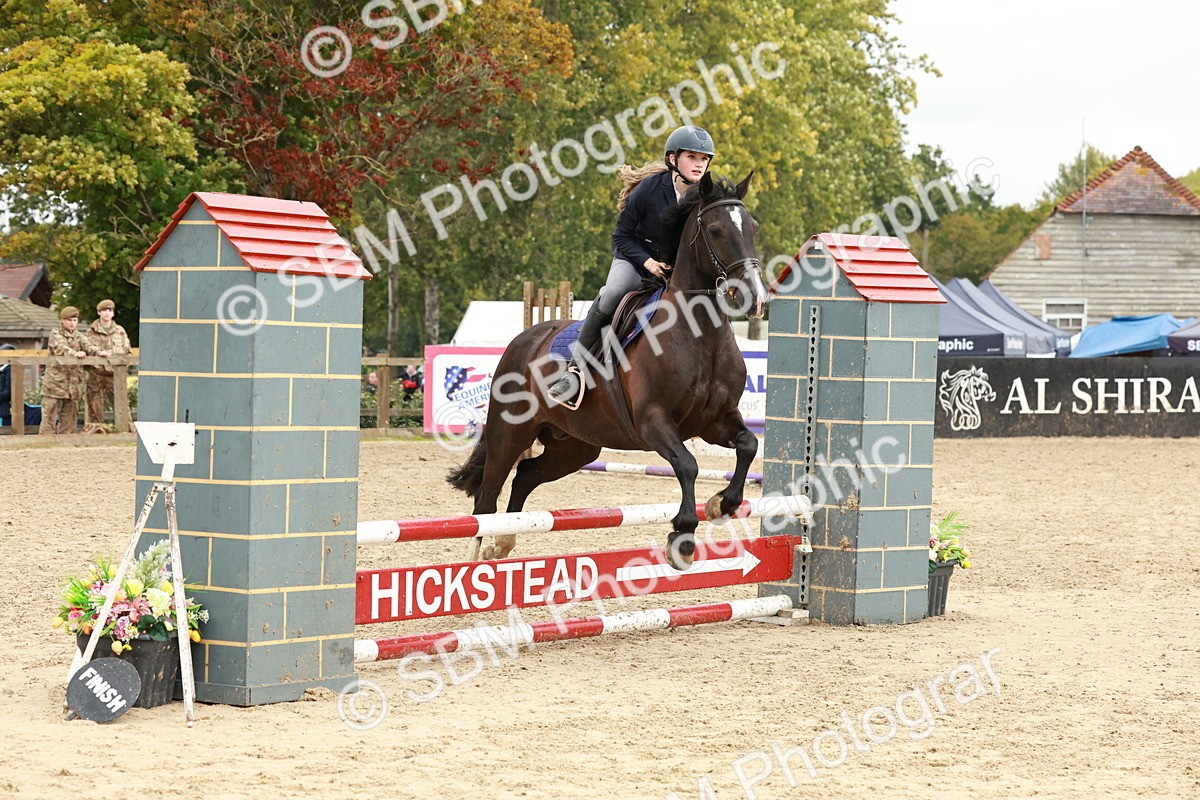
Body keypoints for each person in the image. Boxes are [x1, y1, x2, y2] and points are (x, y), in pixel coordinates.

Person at [547, 125, 715, 405]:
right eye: (691, 157)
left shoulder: (704, 196)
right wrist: (648, 263)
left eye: (704, 159)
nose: (699, 165)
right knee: (613, 292)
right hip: (636, 260)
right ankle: (574, 372)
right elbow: (621, 236)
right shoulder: (650, 189)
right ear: (673, 160)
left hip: (674, 270)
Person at [39, 307, 108, 435]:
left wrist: (99, 352)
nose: (72, 323)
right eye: (69, 320)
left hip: (73, 387)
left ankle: (66, 447)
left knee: (69, 420)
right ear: (63, 321)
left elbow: (88, 346)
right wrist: (75, 353)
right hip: (55, 385)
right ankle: (44, 445)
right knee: (49, 419)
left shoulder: (78, 336)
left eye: (75, 320)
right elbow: (61, 348)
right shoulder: (55, 333)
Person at [84, 299, 132, 433]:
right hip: (96, 373)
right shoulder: (91, 331)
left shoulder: (119, 331)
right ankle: (97, 433)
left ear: (113, 313)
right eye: (104, 310)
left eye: (109, 310)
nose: (107, 313)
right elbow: (87, 348)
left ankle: (126, 431)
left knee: (121, 404)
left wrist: (110, 354)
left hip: (114, 374)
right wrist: (98, 353)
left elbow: (126, 349)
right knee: (94, 406)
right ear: (99, 312)